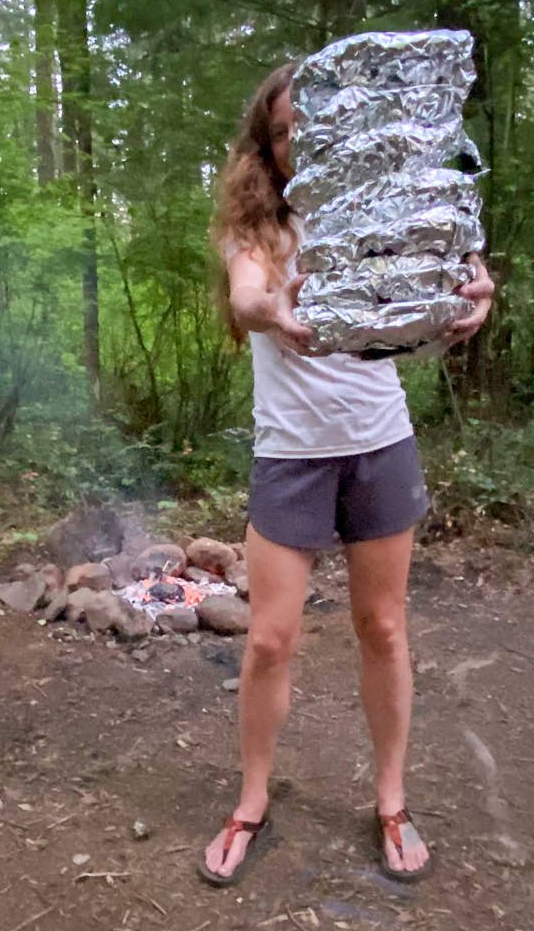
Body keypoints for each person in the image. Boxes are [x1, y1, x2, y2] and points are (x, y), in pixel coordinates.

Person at [197, 63, 494, 886]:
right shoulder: (257, 229)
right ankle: (252, 799)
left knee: (385, 629)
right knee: (266, 639)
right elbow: (249, 293)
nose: (298, 143)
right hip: (290, 454)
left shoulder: (389, 213)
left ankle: (392, 801)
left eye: (310, 126)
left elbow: (461, 280)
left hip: (377, 445)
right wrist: (276, 309)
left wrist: (477, 294)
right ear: (267, 146)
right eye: (283, 131)